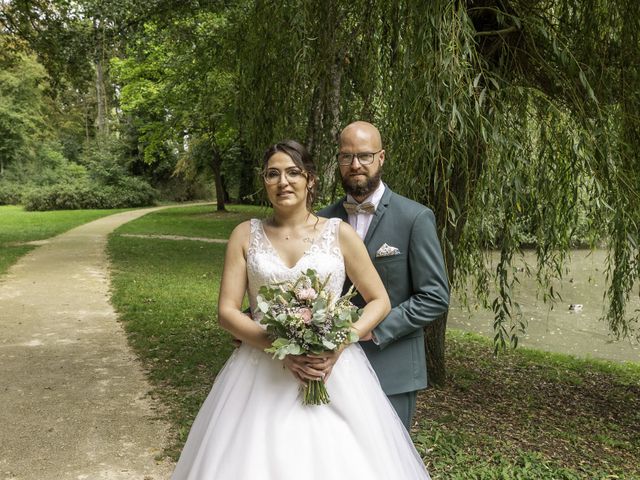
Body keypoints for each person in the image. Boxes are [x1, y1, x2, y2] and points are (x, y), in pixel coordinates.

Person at [170, 140, 431, 479]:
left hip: (333, 372)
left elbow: (379, 300)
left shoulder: (340, 234)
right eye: (273, 174)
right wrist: (281, 351)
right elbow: (227, 312)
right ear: (263, 182)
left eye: (293, 172)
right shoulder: (244, 235)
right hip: (259, 373)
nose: (283, 182)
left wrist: (339, 342)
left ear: (310, 180)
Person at [318, 121, 450, 430]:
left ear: (381, 157)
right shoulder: (322, 221)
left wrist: (373, 329)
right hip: (331, 369)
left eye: (364, 155)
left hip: (392, 368)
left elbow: (434, 296)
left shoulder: (414, 218)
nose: (355, 165)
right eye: (346, 156)